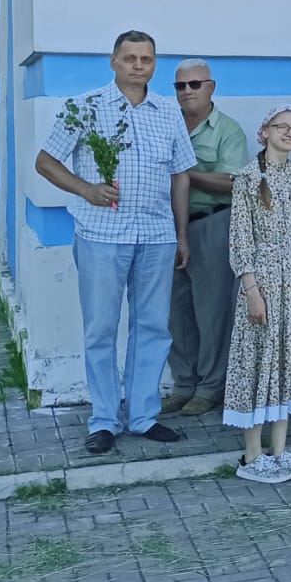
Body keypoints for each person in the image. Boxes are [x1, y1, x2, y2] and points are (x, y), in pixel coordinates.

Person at [35, 30, 196, 455]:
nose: (138, 65)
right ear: (113, 61)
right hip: (101, 236)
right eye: (130, 58)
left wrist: (181, 235)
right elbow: (45, 161)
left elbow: (180, 175)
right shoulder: (86, 107)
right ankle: (104, 419)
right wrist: (86, 189)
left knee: (153, 327)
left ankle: (143, 415)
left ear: (154, 64)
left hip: (157, 236)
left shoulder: (168, 111)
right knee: (101, 328)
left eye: (146, 59)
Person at [223, 105, 291, 483]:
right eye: (283, 126)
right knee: (258, 362)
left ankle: (280, 451)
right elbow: (240, 239)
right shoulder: (248, 179)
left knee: (287, 363)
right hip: (263, 282)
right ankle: (252, 455)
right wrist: (251, 289)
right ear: (264, 131)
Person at [163, 58, 249, 418]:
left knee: (211, 312)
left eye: (195, 84)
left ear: (211, 87)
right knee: (173, 312)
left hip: (211, 223)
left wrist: (184, 172)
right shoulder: (165, 124)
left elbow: (232, 181)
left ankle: (211, 387)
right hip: (166, 227)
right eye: (180, 86)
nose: (187, 91)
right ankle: (183, 384)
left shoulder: (227, 130)